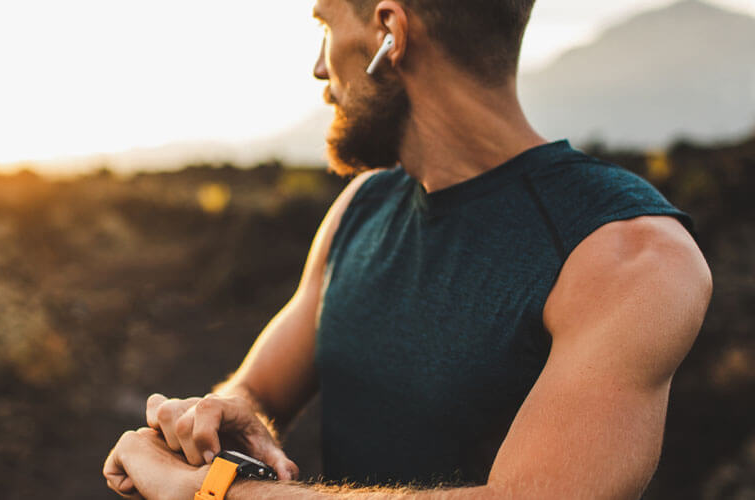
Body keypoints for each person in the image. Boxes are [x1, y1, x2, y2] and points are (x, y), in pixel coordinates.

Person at [103, 0, 713, 498]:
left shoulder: (632, 254)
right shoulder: (362, 206)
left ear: (388, 32)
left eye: (324, 26)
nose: (318, 69)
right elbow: (256, 389)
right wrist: (219, 422)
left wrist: (215, 493)